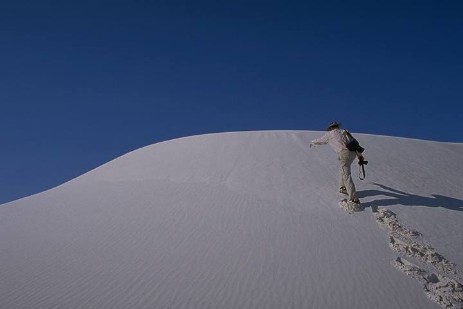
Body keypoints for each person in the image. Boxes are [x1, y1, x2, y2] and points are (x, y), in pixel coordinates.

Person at [309, 121, 362, 204]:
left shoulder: (330, 134)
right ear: (337, 126)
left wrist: (312, 142)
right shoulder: (345, 132)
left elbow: (320, 141)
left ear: (330, 128)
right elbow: (355, 144)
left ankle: (354, 198)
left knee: (346, 174)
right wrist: (360, 157)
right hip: (353, 153)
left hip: (343, 153)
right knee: (343, 170)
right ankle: (343, 188)